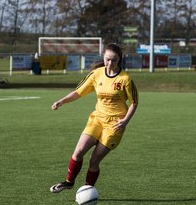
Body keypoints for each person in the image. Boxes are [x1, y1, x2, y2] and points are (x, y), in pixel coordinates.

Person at [50, 43, 139, 193]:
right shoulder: (96, 74)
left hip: (115, 124)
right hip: (97, 119)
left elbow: (134, 103)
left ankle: (87, 190)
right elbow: (78, 92)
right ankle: (68, 182)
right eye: (108, 59)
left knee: (94, 160)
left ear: (120, 60)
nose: (110, 63)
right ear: (103, 57)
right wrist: (61, 101)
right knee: (78, 152)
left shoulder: (125, 79)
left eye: (114, 60)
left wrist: (125, 121)